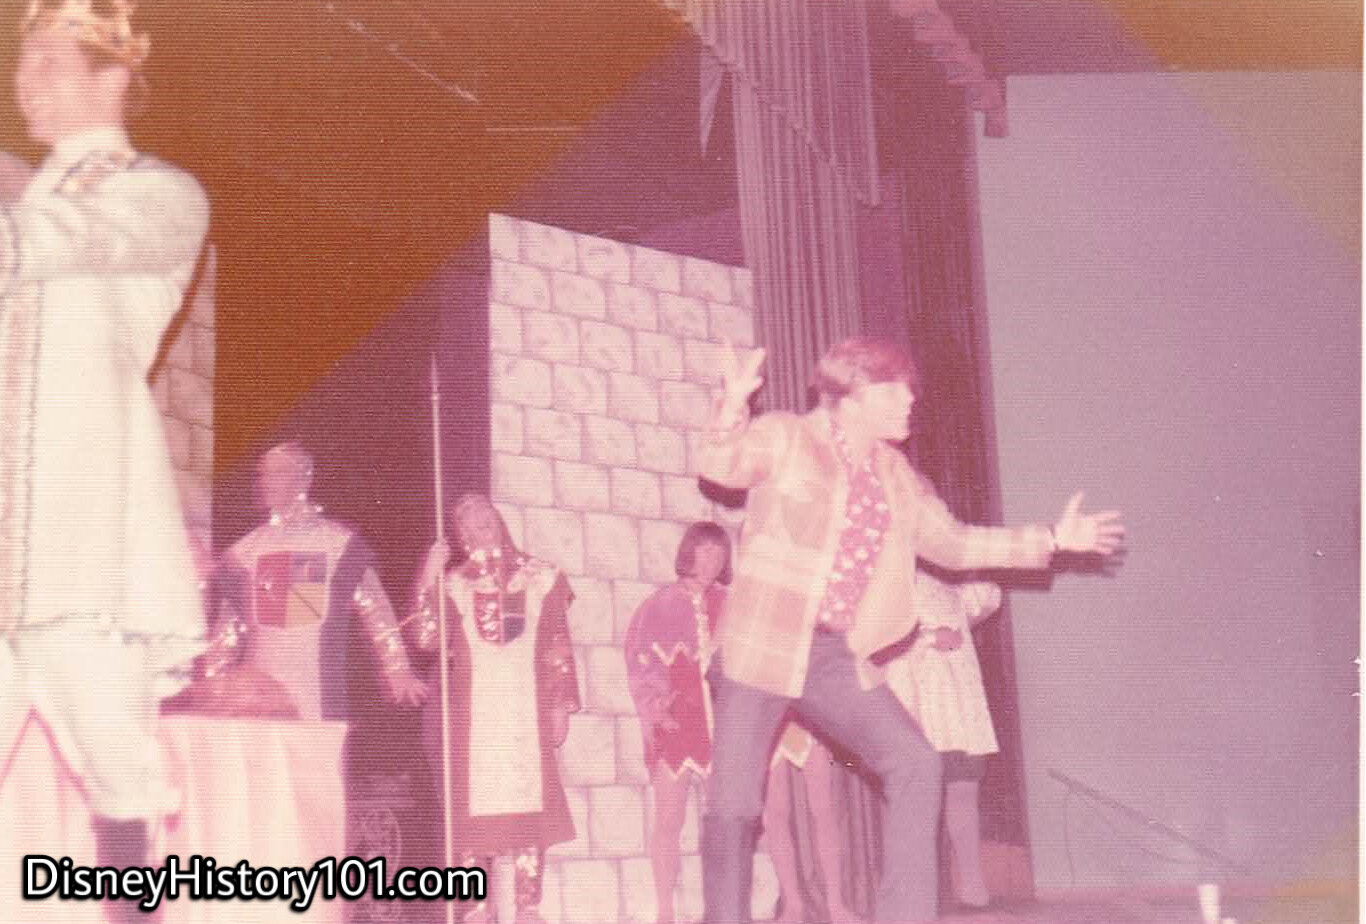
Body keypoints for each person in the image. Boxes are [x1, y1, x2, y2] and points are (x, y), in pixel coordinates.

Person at [696, 336, 1124, 923]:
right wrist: (731, 406)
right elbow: (720, 464)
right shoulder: (788, 436)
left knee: (917, 762)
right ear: (854, 394)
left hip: (831, 653)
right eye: (896, 391)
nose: (910, 402)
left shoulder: (895, 475)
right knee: (734, 802)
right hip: (760, 642)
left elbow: (955, 544)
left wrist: (1051, 539)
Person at [0, 0, 210, 908]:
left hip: (84, 553)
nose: (24, 83)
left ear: (114, 76)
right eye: (21, 64)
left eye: (47, 62)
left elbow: (67, 239)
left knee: (121, 785)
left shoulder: (161, 195)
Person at [412, 493, 580, 924]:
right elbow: (426, 639)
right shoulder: (454, 584)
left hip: (526, 713)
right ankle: (477, 907)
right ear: (460, 536)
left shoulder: (540, 577)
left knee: (530, 808)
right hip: (475, 720)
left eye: (483, 519)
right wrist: (428, 576)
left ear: (499, 520)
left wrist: (561, 704)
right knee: (473, 812)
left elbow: (558, 643)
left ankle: (528, 907)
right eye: (466, 525)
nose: (476, 529)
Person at [191, 442, 428, 719]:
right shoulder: (246, 552)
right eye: (264, 473)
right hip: (259, 693)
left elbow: (376, 609)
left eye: (278, 472)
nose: (267, 481)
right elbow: (227, 628)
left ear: (304, 478)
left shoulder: (338, 545)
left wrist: (398, 669)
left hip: (315, 692)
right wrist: (215, 685)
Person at [624, 521, 731, 924]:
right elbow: (640, 664)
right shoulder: (660, 605)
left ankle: (720, 909)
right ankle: (665, 911)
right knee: (669, 819)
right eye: (705, 550)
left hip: (723, 728)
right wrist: (657, 708)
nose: (713, 559)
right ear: (689, 553)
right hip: (677, 723)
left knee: (722, 825)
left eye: (720, 552)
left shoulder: (731, 605)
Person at [884, 573, 1005, 912]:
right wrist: (928, 638)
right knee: (920, 800)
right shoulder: (896, 579)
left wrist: (971, 564)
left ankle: (971, 884)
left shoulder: (953, 589)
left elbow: (989, 597)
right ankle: (918, 891)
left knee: (963, 792)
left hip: (961, 708)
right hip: (921, 704)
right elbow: (880, 637)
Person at [763, 724, 859, 924]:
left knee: (823, 809)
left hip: (801, 717)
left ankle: (836, 905)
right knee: (775, 814)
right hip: (769, 718)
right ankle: (793, 907)